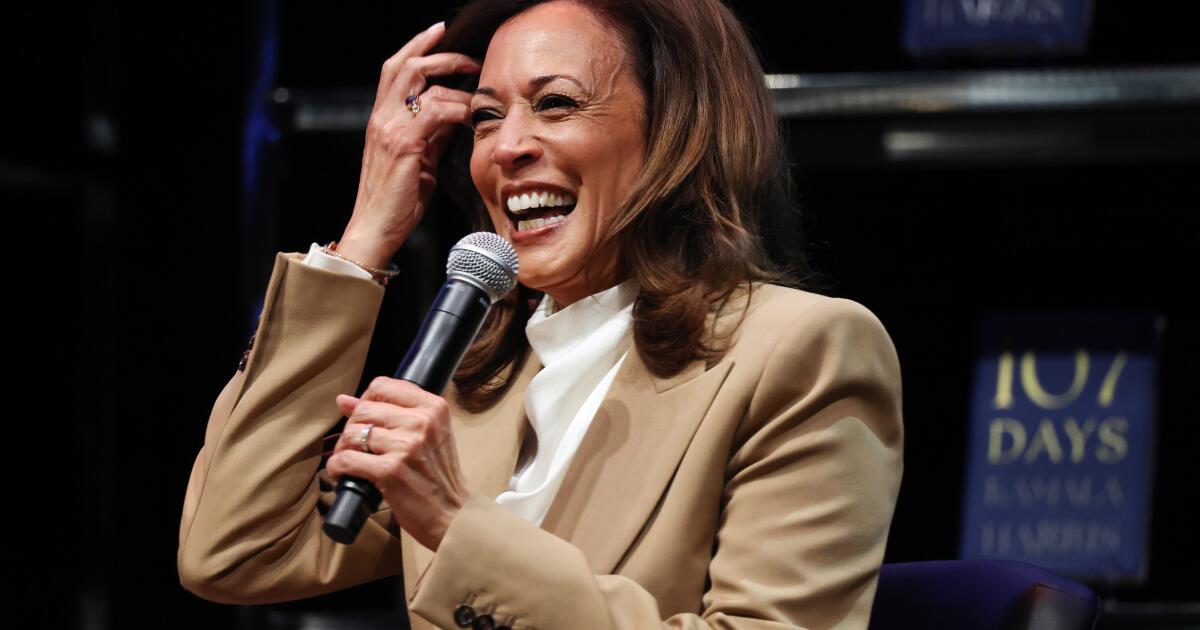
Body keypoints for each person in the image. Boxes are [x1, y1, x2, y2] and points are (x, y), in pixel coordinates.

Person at [177, 0, 904, 628]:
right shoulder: (479, 386)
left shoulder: (804, 349)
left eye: (555, 103)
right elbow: (234, 550)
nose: (507, 148)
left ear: (675, 129)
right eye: (485, 118)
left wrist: (455, 521)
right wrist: (364, 238)